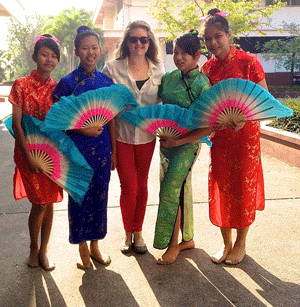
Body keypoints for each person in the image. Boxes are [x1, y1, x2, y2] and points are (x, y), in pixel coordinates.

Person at [200, 8, 267, 265]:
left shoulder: (249, 62)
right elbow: (206, 107)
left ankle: (241, 242)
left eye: (218, 36)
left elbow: (263, 99)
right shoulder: (207, 69)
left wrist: (245, 119)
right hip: (220, 139)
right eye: (208, 38)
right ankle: (225, 242)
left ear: (229, 35)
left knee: (242, 188)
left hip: (245, 138)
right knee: (221, 187)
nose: (213, 42)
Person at [53, 26, 116, 269]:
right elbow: (57, 121)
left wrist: (114, 153)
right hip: (76, 151)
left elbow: (110, 119)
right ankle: (81, 249)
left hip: (101, 150)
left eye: (94, 47)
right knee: (79, 198)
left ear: (100, 50)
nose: (90, 52)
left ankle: (95, 246)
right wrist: (82, 129)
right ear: (77, 51)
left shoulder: (106, 82)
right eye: (85, 48)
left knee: (100, 197)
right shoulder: (67, 84)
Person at [102, 20, 164, 254]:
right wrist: (110, 147)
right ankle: (127, 232)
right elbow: (106, 106)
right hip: (122, 137)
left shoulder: (158, 69)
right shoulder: (112, 68)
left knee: (143, 185)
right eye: (134, 39)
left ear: (149, 43)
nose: (139, 43)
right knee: (129, 187)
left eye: (143, 39)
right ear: (126, 41)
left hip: (148, 138)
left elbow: (163, 104)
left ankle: (139, 232)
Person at [153, 30, 211, 265]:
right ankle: (188, 238)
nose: (178, 57)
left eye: (184, 53)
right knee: (179, 190)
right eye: (175, 52)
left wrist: (179, 141)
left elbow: (208, 126)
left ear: (196, 55)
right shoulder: (168, 78)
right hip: (166, 143)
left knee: (170, 192)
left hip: (187, 146)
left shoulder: (203, 84)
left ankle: (173, 244)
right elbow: (158, 108)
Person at [9, 34, 62, 271]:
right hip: (27, 153)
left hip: (51, 155)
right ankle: (33, 247)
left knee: (49, 203)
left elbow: (60, 124)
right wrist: (29, 155)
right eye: (44, 54)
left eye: (53, 56)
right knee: (39, 204)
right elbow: (17, 123)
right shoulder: (21, 85)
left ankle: (44, 251)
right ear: (35, 56)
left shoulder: (58, 89)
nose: (48, 59)